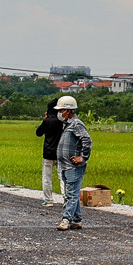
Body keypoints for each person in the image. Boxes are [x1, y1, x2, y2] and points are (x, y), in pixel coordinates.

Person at [54, 95, 92, 231]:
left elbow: (87, 140)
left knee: (71, 194)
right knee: (71, 193)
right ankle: (76, 219)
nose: (59, 113)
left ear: (68, 111)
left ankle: (66, 219)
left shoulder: (76, 124)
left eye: (61, 110)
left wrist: (82, 157)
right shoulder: (66, 124)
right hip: (65, 165)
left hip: (73, 166)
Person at [35, 100, 65, 206]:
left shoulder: (47, 121)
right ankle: (66, 199)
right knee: (63, 177)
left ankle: (48, 200)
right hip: (61, 153)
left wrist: (45, 119)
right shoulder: (63, 121)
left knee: (47, 177)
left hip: (48, 152)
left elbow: (38, 133)